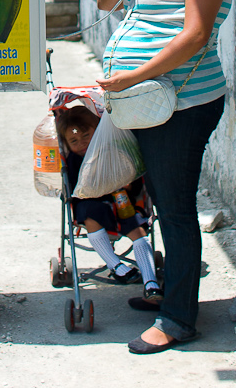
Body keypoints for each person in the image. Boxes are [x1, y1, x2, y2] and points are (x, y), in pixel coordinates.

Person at [95, 0, 233, 354]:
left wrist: (131, 78)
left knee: (175, 209)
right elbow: (104, 4)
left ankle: (178, 319)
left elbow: (195, 36)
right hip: (150, 104)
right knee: (158, 198)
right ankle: (171, 293)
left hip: (185, 103)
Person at [54, 104, 161, 300]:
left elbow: (133, 177)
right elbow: (73, 190)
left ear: (98, 130)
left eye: (86, 136)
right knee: (90, 214)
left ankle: (150, 283)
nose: (82, 143)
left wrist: (128, 185)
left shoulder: (114, 150)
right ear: (67, 144)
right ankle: (117, 266)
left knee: (137, 229)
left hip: (121, 202)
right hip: (91, 205)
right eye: (74, 141)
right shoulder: (74, 161)